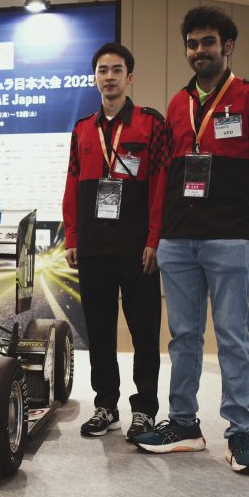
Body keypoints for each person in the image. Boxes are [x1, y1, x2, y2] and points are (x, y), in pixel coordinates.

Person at [132, 6, 249, 474]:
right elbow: (164, 173)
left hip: (228, 238)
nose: (199, 51)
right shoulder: (178, 104)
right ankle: (184, 424)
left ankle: (239, 433)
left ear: (228, 46)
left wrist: (244, 211)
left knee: (233, 337)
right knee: (183, 336)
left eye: (208, 43)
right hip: (179, 239)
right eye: (192, 44)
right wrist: (160, 234)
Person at [62, 42, 173, 440]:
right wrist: (72, 235)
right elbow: (73, 184)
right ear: (95, 77)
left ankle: (144, 409)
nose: (109, 76)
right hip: (94, 246)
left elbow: (161, 184)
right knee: (100, 331)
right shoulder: (82, 130)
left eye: (117, 69)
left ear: (130, 77)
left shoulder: (151, 124)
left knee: (144, 331)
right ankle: (105, 406)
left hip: (136, 246)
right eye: (102, 70)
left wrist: (154, 239)